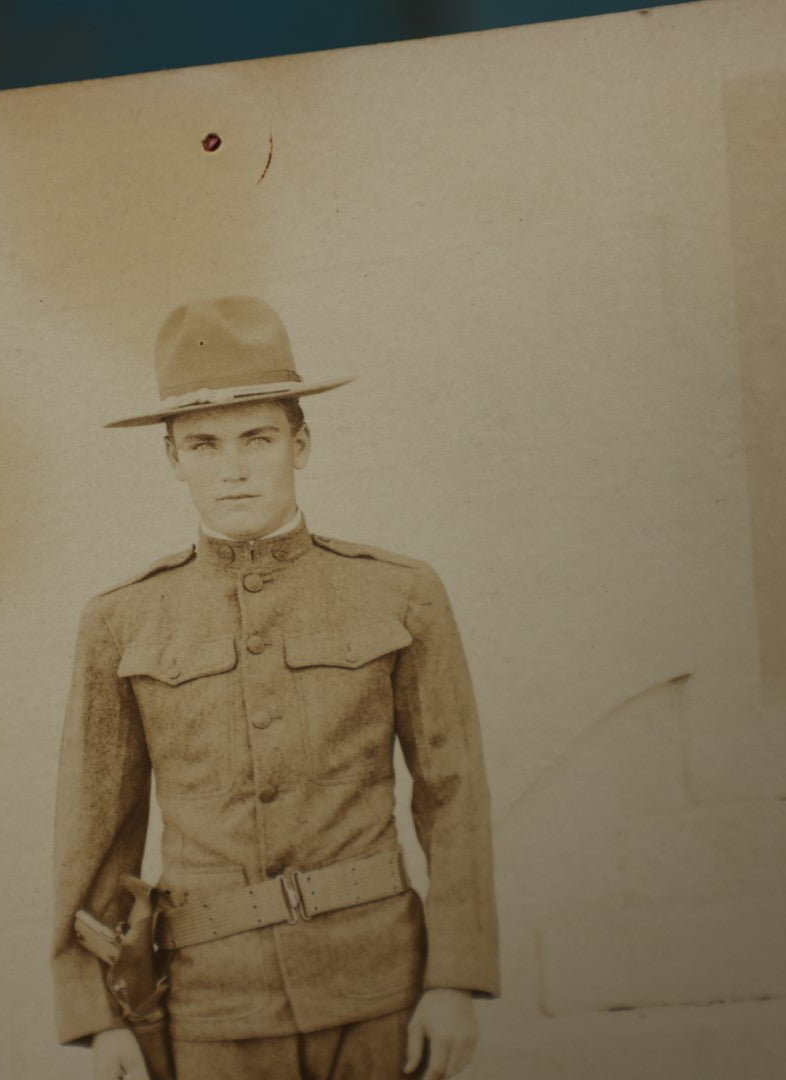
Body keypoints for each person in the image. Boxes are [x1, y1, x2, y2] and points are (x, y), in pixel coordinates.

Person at [51, 297, 499, 1080]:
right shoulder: (120, 623)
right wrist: (96, 1018)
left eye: (257, 438)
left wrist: (453, 978)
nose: (232, 467)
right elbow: (95, 830)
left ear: (300, 443)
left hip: (379, 990)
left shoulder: (398, 594)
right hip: (214, 1009)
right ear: (172, 458)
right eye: (203, 443)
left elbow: (451, 795)